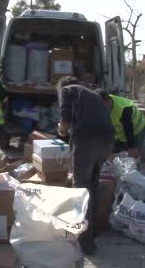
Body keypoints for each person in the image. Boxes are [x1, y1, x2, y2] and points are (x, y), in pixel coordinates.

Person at [56, 76, 114, 255]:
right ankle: (94, 229)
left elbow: (64, 124)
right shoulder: (90, 94)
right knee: (93, 185)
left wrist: (60, 130)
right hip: (107, 140)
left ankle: (85, 242)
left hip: (87, 140)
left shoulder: (66, 90)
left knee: (80, 188)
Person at [96, 90, 145, 158]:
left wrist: (131, 146)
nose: (99, 108)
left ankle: (139, 159)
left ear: (108, 102)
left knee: (133, 155)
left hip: (137, 129)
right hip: (120, 133)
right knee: (109, 152)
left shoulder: (122, 108)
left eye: (101, 105)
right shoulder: (99, 103)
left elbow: (128, 129)